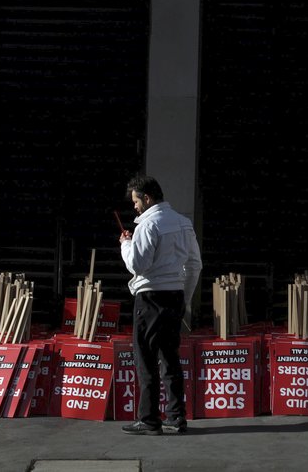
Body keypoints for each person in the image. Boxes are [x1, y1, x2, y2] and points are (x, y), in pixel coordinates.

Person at [118, 175, 202, 435]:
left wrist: (126, 244)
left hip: (150, 298)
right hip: (174, 295)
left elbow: (137, 265)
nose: (134, 207)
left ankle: (149, 419)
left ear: (147, 198)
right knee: (170, 359)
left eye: (135, 201)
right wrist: (184, 298)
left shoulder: (148, 224)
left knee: (146, 359)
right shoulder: (183, 223)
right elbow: (195, 264)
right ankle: (177, 418)